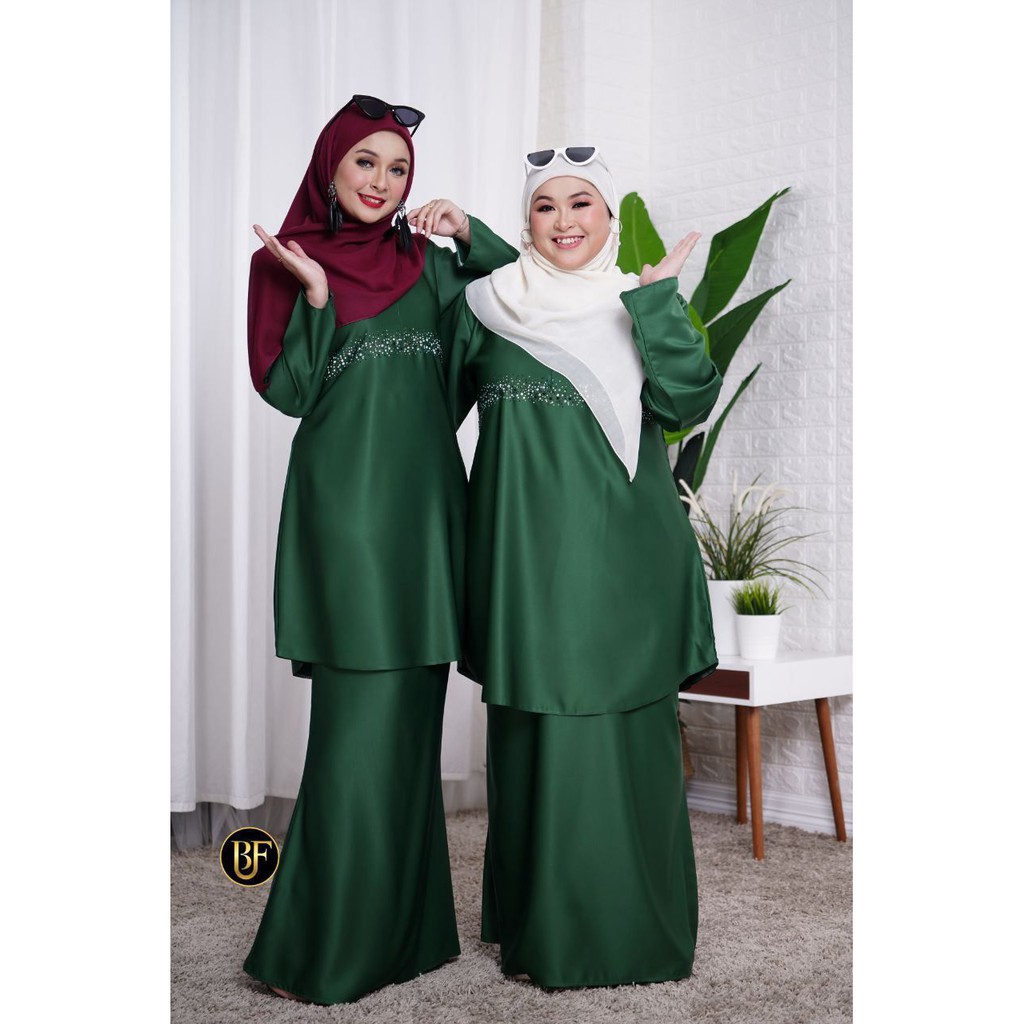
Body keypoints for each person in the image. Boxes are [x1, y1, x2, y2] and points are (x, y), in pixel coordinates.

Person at [241, 95, 518, 1005]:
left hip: (431, 514)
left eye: (398, 168)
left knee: (409, 729)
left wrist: (470, 234)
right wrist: (318, 299)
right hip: (348, 518)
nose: (382, 181)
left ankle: (410, 936)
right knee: (357, 731)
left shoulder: (430, 268)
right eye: (366, 161)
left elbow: (524, 306)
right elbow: (290, 392)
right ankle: (323, 950)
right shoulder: (285, 260)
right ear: (331, 164)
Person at [445, 147, 723, 988]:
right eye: (545, 207)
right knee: (537, 740)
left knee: (624, 740)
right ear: (525, 221)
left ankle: (634, 934)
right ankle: (544, 932)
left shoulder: (634, 301)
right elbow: (423, 415)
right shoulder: (489, 305)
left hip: (626, 564)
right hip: (525, 566)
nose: (564, 222)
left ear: (608, 218)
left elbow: (686, 401)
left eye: (582, 204)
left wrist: (658, 301)